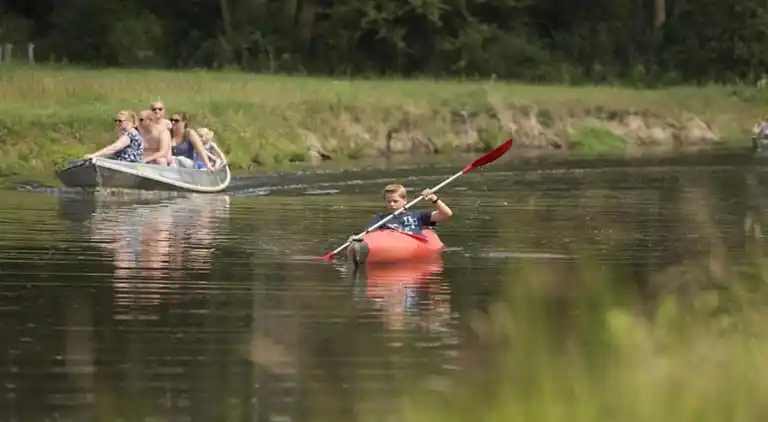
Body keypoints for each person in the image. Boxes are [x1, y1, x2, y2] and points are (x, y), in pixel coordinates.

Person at [350, 183, 453, 242]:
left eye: (395, 201)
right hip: (391, 245)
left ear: (405, 200)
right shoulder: (381, 218)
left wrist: (434, 199)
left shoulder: (418, 216)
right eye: (388, 201)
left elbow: (446, 214)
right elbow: (368, 234)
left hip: (412, 243)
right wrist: (356, 239)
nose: (391, 204)